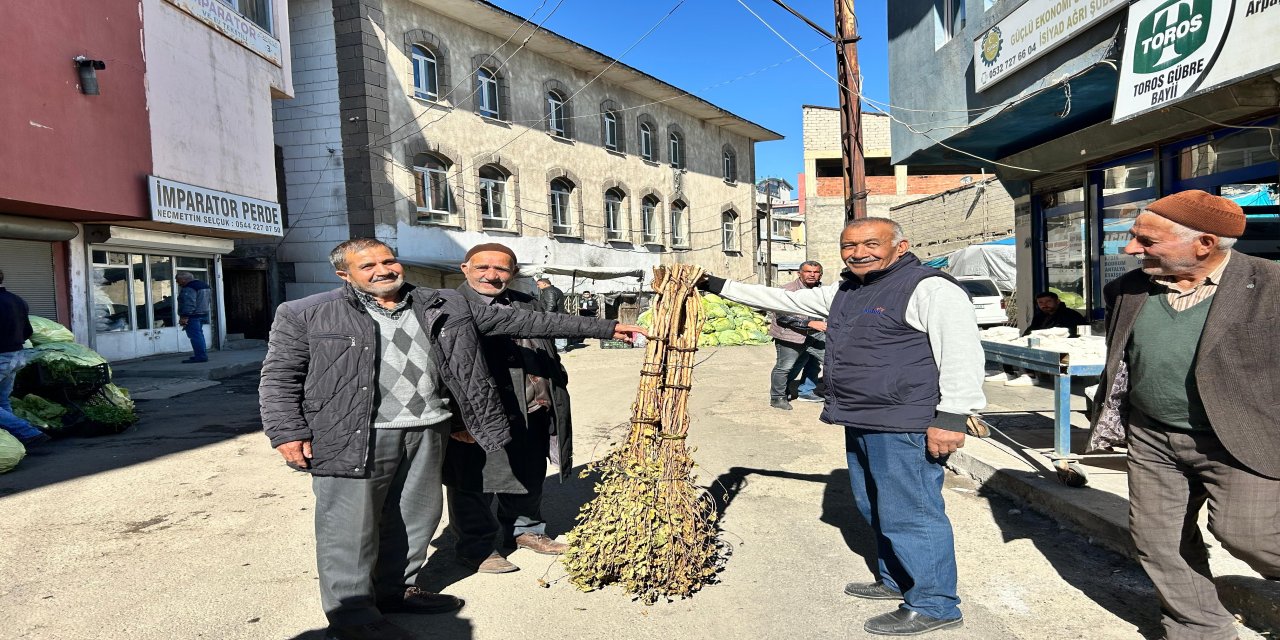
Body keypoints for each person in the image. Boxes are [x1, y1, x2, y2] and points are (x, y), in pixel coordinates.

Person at [259, 239, 641, 640]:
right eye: (367, 265)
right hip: (353, 435)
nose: (383, 270)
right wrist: (287, 431)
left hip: (428, 428)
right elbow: (280, 376)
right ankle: (353, 617)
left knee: (415, 518)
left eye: (389, 260)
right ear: (344, 274)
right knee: (349, 527)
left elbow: (525, 323)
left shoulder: (442, 303)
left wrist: (608, 326)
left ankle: (394, 592)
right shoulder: (307, 313)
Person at [700, 218, 985, 636]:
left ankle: (936, 604)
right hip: (862, 415)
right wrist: (713, 284)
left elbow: (961, 352)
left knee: (912, 512)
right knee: (874, 504)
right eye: (848, 245)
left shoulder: (930, 288)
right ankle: (895, 579)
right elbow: (783, 299)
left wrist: (952, 417)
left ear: (900, 246)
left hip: (904, 420)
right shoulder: (849, 290)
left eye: (871, 243)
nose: (858, 252)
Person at [1087, 190, 1280, 640]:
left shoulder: (1271, 285)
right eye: (1134, 237)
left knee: (1248, 535)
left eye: (1146, 241)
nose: (1131, 249)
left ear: (1205, 244)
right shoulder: (1126, 290)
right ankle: (1199, 628)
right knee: (1158, 541)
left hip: (1244, 436)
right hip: (1152, 436)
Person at [446, 244, 577, 574]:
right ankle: (476, 547)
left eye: (502, 269)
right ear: (465, 268)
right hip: (479, 415)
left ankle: (525, 532)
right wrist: (458, 420)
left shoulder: (526, 303)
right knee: (472, 481)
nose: (492, 275)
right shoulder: (450, 306)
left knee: (529, 473)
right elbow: (443, 370)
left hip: (532, 409)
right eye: (483, 268)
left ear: (513, 273)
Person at [987, 290, 1087, 386]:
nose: (1045, 305)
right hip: (1044, 343)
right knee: (1015, 343)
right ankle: (1010, 373)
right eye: (1041, 302)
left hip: (1066, 347)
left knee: (1031, 347)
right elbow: (1031, 330)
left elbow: (1068, 334)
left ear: (1057, 301)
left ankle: (1031, 376)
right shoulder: (1040, 316)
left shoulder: (1069, 315)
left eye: (1048, 301)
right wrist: (1021, 339)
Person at [766, 261, 826, 410]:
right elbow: (781, 316)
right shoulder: (787, 290)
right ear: (799, 273)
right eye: (808, 271)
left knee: (821, 361)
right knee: (785, 366)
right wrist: (809, 323)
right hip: (790, 335)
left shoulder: (821, 290)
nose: (812, 275)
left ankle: (806, 391)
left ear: (820, 274)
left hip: (816, 334)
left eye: (816, 272)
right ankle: (777, 397)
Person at [0, 271, 48, 446]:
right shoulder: (17, 300)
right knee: (3, 401)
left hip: (1, 357)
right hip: (17, 355)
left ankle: (28, 431)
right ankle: (18, 439)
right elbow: (28, 331)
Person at [176, 271, 212, 364]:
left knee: (195, 336)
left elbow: (189, 303)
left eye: (178, 280)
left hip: (193, 315)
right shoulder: (204, 285)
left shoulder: (189, 288)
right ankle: (201, 355)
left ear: (184, 279)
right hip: (203, 313)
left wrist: (184, 317)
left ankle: (200, 356)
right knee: (199, 335)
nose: (177, 282)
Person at [535, 277, 568, 353]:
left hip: (554, 315)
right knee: (558, 331)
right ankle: (560, 347)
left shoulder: (549, 291)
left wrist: (546, 315)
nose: (537, 286)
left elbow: (551, 304)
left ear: (544, 284)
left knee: (558, 331)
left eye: (538, 284)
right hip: (558, 314)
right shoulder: (555, 289)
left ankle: (560, 348)